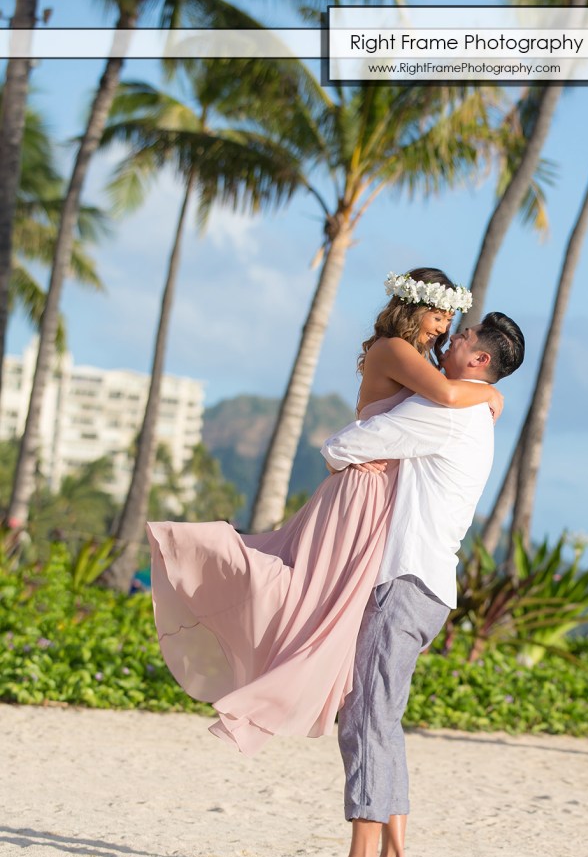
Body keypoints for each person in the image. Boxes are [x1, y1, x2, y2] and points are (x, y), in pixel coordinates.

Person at [146, 268, 502, 757]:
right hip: (364, 487)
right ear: (416, 307)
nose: (443, 327)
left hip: (384, 494)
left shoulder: (414, 355)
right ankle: (203, 559)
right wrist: (490, 392)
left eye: (448, 320)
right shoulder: (392, 350)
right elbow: (445, 396)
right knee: (311, 591)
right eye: (439, 316)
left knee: (331, 602)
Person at [286, 307, 525, 857]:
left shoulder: (446, 410)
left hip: (403, 581)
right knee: (382, 718)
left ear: (479, 360)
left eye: (460, 335)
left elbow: (343, 446)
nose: (447, 337)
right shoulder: (474, 411)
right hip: (426, 586)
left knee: (365, 717)